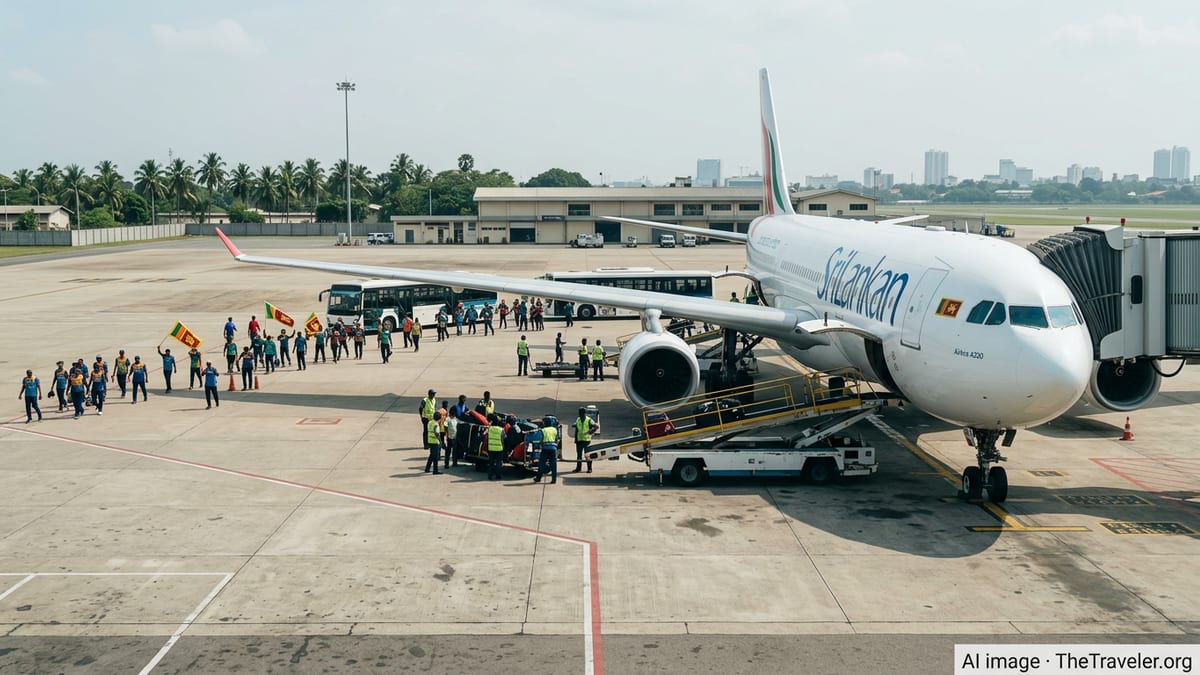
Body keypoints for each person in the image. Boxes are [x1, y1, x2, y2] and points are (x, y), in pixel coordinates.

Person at [533, 417, 559, 484]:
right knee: (553, 465)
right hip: (553, 449)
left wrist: (539, 445)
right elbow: (557, 439)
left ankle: (538, 478)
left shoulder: (543, 430)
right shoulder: (554, 429)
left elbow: (540, 439)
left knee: (542, 464)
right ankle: (554, 479)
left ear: (544, 423)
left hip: (545, 449)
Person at [573, 408, 596, 473]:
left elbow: (596, 426)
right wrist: (576, 439)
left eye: (582, 414)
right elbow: (577, 429)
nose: (581, 415)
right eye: (580, 414)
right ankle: (578, 468)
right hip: (579, 440)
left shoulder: (589, 420)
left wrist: (590, 432)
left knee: (587, 455)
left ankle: (589, 468)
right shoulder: (578, 419)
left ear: (585, 413)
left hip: (586, 440)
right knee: (579, 455)